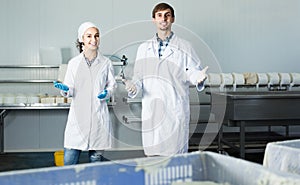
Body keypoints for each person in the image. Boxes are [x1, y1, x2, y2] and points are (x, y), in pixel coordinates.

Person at [123, 2, 208, 156]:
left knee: (175, 160)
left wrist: (199, 78)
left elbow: (193, 71)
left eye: (167, 15)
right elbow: (139, 77)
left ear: (173, 19)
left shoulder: (185, 47)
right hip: (152, 110)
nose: (163, 19)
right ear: (153, 19)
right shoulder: (144, 48)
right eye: (159, 15)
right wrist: (133, 87)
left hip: (175, 109)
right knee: (153, 160)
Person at [53, 21, 116, 165]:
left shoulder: (106, 63)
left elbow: (112, 85)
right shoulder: (74, 63)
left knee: (96, 161)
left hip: (98, 117)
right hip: (78, 119)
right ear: (81, 39)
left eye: (96, 36)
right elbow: (69, 89)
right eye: (89, 36)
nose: (93, 40)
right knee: (69, 161)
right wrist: (65, 90)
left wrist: (106, 93)